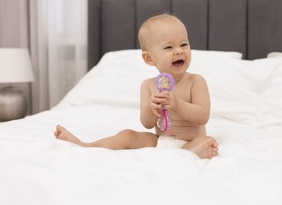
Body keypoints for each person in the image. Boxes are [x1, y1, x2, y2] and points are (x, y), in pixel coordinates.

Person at [54, 14, 218, 159]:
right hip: (160, 142)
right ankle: (86, 146)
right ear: (149, 59)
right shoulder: (148, 86)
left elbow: (203, 116)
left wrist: (177, 104)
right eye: (169, 47)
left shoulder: (196, 81)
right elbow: (147, 123)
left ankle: (189, 152)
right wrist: (153, 108)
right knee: (127, 135)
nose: (179, 51)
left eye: (184, 44)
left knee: (207, 141)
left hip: (189, 141)